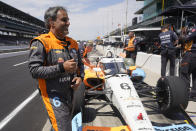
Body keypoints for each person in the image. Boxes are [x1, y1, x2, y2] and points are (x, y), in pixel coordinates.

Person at [28, 6, 84, 131]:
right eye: (64, 20)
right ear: (51, 23)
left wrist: (80, 77)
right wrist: (61, 68)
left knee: (61, 125)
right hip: (53, 96)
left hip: (70, 93)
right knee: (63, 128)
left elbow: (80, 66)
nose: (68, 23)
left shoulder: (73, 43)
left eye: (68, 20)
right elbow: (34, 71)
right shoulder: (41, 42)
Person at [180, 25, 196, 98]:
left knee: (184, 73)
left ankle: (185, 93)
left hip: (190, 54)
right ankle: (194, 94)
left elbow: (186, 39)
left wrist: (183, 35)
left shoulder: (194, 29)